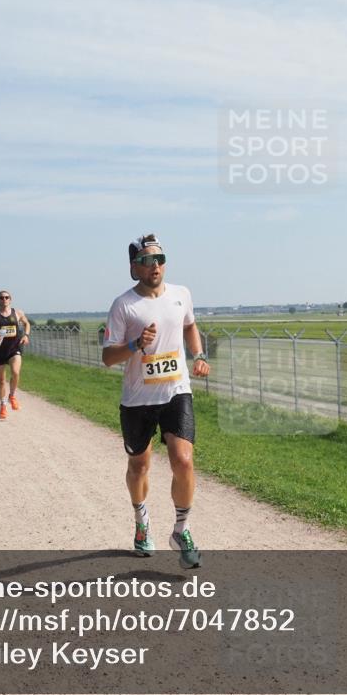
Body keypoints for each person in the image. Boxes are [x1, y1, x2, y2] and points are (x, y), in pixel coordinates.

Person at [102, 234, 210, 569]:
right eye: (148, 261)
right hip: (137, 399)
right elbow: (107, 357)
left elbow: (190, 326)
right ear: (135, 267)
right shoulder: (124, 306)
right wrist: (135, 345)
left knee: (183, 460)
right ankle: (141, 519)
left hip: (176, 391)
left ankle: (182, 529)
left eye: (160, 259)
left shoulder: (182, 295)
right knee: (139, 466)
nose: (156, 266)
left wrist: (199, 354)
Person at [0, 291, 31, 419]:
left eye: (6, 297)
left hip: (14, 349)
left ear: (10, 299)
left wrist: (26, 335)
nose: (4, 299)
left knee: (15, 372)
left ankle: (12, 396)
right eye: (1, 298)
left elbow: (27, 324)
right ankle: (3, 405)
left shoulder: (18, 313)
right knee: (1, 381)